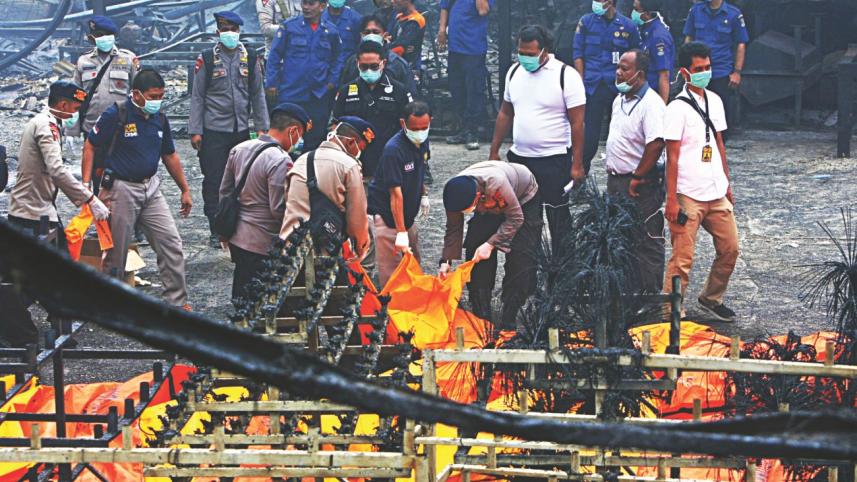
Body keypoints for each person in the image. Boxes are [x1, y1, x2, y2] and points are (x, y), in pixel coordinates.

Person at [82, 68, 193, 309]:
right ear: (136, 94)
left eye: (161, 95)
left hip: (151, 189)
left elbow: (169, 154)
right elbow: (90, 146)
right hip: (120, 190)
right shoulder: (116, 114)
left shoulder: (159, 118)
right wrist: (85, 187)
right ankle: (110, 305)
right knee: (116, 254)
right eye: (153, 96)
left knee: (171, 244)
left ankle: (177, 303)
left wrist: (185, 189)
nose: (157, 101)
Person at [489, 25, 585, 257]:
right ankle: (525, 275)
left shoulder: (566, 75)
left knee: (558, 218)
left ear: (545, 51)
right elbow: (505, 113)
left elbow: (578, 123)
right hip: (520, 159)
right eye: (521, 52)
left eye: (531, 54)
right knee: (521, 219)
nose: (525, 58)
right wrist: (494, 151)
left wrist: (577, 164)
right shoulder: (514, 72)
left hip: (553, 159)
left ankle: (564, 272)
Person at [663, 42, 739, 322]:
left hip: (715, 190)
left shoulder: (715, 100)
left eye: (707, 68)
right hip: (688, 194)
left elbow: (719, 143)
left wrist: (727, 183)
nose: (704, 73)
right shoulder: (676, 109)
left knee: (730, 248)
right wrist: (671, 199)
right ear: (685, 72)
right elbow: (671, 157)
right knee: (682, 258)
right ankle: (672, 307)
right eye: (699, 69)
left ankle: (712, 297)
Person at [190, 11, 269, 248]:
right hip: (214, 130)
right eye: (225, 30)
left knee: (242, 181)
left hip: (241, 131)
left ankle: (237, 226)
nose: (229, 34)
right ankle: (216, 228)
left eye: (233, 29)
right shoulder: (207, 58)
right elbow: (197, 96)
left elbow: (257, 94)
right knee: (214, 181)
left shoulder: (251, 57)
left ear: (239, 31)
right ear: (217, 32)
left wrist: (263, 127)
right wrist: (196, 130)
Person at [221, 103, 310, 300]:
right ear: (293, 130)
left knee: (242, 293)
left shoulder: (240, 148)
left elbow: (225, 192)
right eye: (300, 134)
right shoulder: (280, 160)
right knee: (261, 300)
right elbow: (278, 209)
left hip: (238, 235)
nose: (300, 140)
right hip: (262, 241)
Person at [440, 161, 542, 330]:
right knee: (475, 248)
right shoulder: (453, 194)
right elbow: (453, 228)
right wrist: (446, 260)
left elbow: (516, 219)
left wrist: (491, 243)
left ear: (478, 195)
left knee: (522, 255)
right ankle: (482, 310)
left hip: (523, 198)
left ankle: (510, 313)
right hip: (488, 205)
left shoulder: (496, 184)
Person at [9, 81, 109, 248]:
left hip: (37, 207)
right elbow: (57, 170)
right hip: (32, 214)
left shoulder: (43, 122)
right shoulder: (46, 127)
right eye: (76, 109)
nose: (76, 114)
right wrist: (90, 199)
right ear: (63, 105)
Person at [604, 50, 666, 293]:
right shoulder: (618, 100)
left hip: (640, 183)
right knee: (621, 238)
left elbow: (656, 143)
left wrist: (638, 176)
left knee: (646, 239)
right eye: (618, 67)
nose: (618, 72)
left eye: (625, 68)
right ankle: (627, 292)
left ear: (639, 74)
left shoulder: (651, 104)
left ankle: (650, 298)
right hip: (617, 181)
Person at [280, 116, 375, 260]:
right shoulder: (349, 166)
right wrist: (360, 248)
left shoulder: (301, 160)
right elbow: (357, 220)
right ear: (350, 142)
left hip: (290, 249)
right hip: (326, 252)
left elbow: (286, 201)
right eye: (360, 148)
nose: (359, 154)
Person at [266, 0, 346, 150]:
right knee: (285, 137)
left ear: (322, 6)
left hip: (318, 95)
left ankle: (309, 171)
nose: (306, 8)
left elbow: (338, 59)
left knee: (315, 138)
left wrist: (332, 82)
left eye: (311, 4)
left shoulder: (331, 30)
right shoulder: (289, 27)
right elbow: (274, 56)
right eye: (304, 4)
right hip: (291, 92)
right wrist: (272, 83)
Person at [71, 15, 138, 192]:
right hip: (93, 129)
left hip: (122, 128)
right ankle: (101, 215)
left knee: (123, 175)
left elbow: (139, 93)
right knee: (97, 175)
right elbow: (76, 97)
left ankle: (120, 215)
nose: (104, 38)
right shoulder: (83, 62)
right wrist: (72, 129)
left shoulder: (128, 59)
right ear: (92, 38)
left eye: (107, 34)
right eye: (99, 34)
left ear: (114, 35)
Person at [367, 101, 431, 287]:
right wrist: (400, 232)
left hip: (407, 215)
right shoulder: (394, 151)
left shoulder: (422, 141)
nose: (420, 132)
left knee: (413, 261)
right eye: (415, 128)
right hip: (388, 216)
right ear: (403, 124)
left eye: (424, 128)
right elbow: (395, 194)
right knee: (393, 272)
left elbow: (421, 169)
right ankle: (392, 309)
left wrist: (424, 195)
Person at [573, 0, 641, 172]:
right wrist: (580, 82)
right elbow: (578, 53)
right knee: (589, 135)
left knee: (621, 134)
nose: (595, 3)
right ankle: (580, 174)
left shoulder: (628, 26)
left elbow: (636, 57)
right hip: (592, 85)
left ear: (610, 2)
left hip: (618, 88)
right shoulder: (586, 22)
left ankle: (622, 177)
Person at [333, 40, 413, 181]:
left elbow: (409, 127)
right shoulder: (346, 91)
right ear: (357, 63)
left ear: (384, 63)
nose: (369, 70)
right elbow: (335, 125)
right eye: (364, 66)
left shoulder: (399, 91)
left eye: (374, 66)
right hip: (354, 162)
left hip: (388, 159)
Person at [683, 0, 749, 132]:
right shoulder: (696, 11)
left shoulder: (733, 14)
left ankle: (720, 145)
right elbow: (688, 38)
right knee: (694, 109)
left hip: (721, 71)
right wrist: (685, 65)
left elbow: (741, 44)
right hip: (697, 71)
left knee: (720, 114)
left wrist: (737, 72)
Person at [438, 0, 492, 151]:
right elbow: (444, 7)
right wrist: (442, 30)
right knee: (457, 89)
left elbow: (482, 10)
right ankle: (462, 129)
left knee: (474, 90)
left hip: (474, 49)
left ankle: (472, 132)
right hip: (455, 47)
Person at [338, 14, 418, 95]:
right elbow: (342, 94)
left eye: (376, 32)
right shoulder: (352, 62)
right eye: (367, 32)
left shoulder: (398, 64)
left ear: (385, 35)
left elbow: (410, 98)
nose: (371, 35)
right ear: (361, 35)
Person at [632, 0, 673, 103]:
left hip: (654, 95)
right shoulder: (646, 30)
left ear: (647, 14)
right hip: (643, 92)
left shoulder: (658, 36)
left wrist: (662, 107)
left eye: (636, 9)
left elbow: (664, 75)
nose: (633, 12)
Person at [389, 0, 426, 76]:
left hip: (409, 68)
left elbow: (400, 47)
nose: (392, 1)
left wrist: (383, 51)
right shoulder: (400, 17)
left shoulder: (415, 21)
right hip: (397, 65)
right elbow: (391, 38)